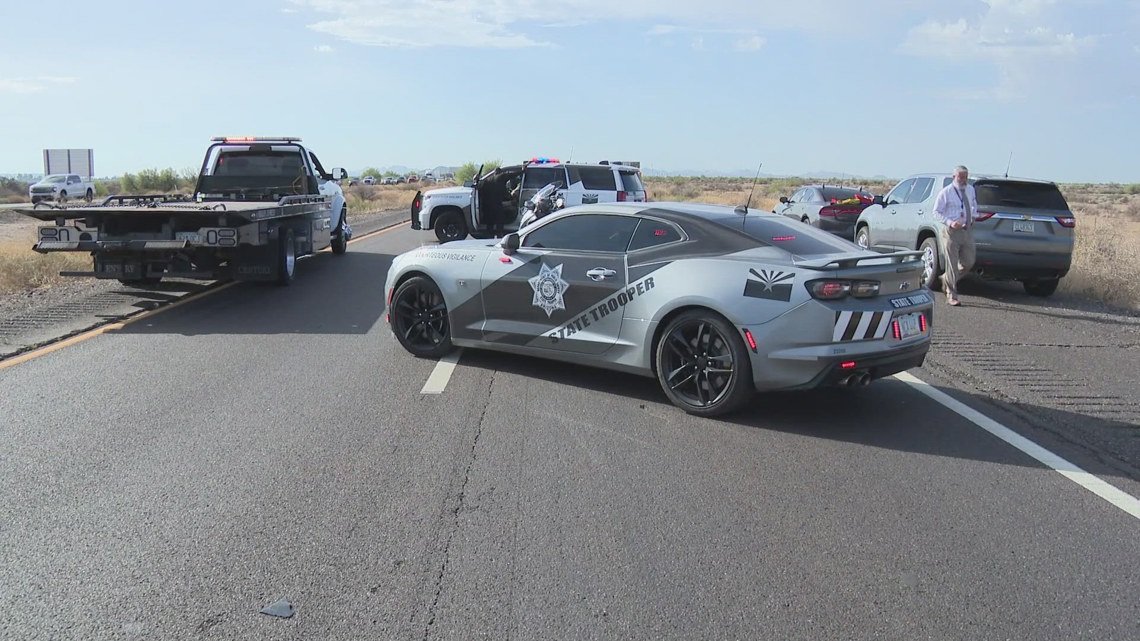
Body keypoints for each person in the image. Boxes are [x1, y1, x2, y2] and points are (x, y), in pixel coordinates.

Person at [932, 165, 978, 306]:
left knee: (969, 262)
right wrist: (950, 222)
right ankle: (951, 294)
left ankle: (946, 278)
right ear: (954, 177)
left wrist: (974, 215)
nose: (964, 180)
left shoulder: (970, 190)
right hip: (951, 232)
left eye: (966, 177)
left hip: (967, 230)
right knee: (951, 264)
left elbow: (973, 205)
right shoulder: (946, 192)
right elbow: (936, 212)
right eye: (961, 177)